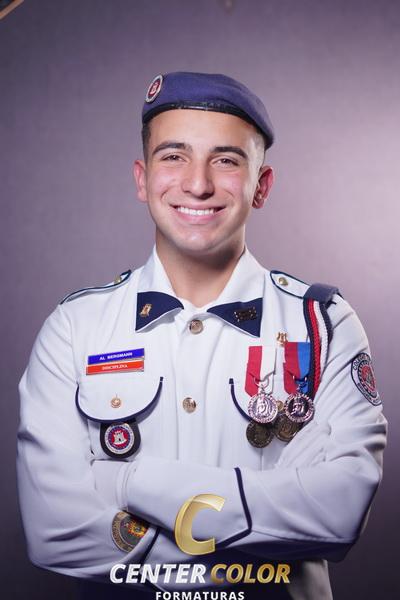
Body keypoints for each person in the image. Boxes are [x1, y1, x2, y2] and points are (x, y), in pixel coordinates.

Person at [17, 72, 387, 600]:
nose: (197, 184)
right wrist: (257, 548)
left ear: (262, 186)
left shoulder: (324, 324)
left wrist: (122, 482)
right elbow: (54, 531)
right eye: (174, 156)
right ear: (142, 179)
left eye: (226, 160)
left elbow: (339, 510)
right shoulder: (75, 328)